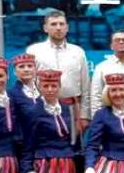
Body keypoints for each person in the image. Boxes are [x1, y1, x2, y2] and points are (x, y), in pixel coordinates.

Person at [26, 10, 91, 140]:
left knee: (73, 149)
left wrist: (85, 116)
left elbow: (85, 87)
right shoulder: (34, 51)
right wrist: (33, 112)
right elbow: (29, 85)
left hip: (73, 110)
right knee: (45, 147)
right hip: (43, 110)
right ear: (45, 28)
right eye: (53, 24)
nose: (58, 28)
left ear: (67, 27)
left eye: (61, 24)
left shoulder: (78, 52)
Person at [89, 31, 124, 117]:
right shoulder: (101, 67)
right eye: (117, 40)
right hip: (111, 116)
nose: (121, 42)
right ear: (111, 46)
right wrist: (96, 118)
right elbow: (96, 96)